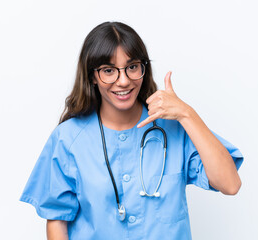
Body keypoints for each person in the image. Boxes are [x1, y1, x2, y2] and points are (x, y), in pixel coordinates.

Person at [20, 21, 244, 240]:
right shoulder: (68, 138)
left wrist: (187, 113)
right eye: (109, 70)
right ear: (92, 77)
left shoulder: (175, 127)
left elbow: (230, 184)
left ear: (143, 69)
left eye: (132, 67)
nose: (124, 81)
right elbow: (57, 221)